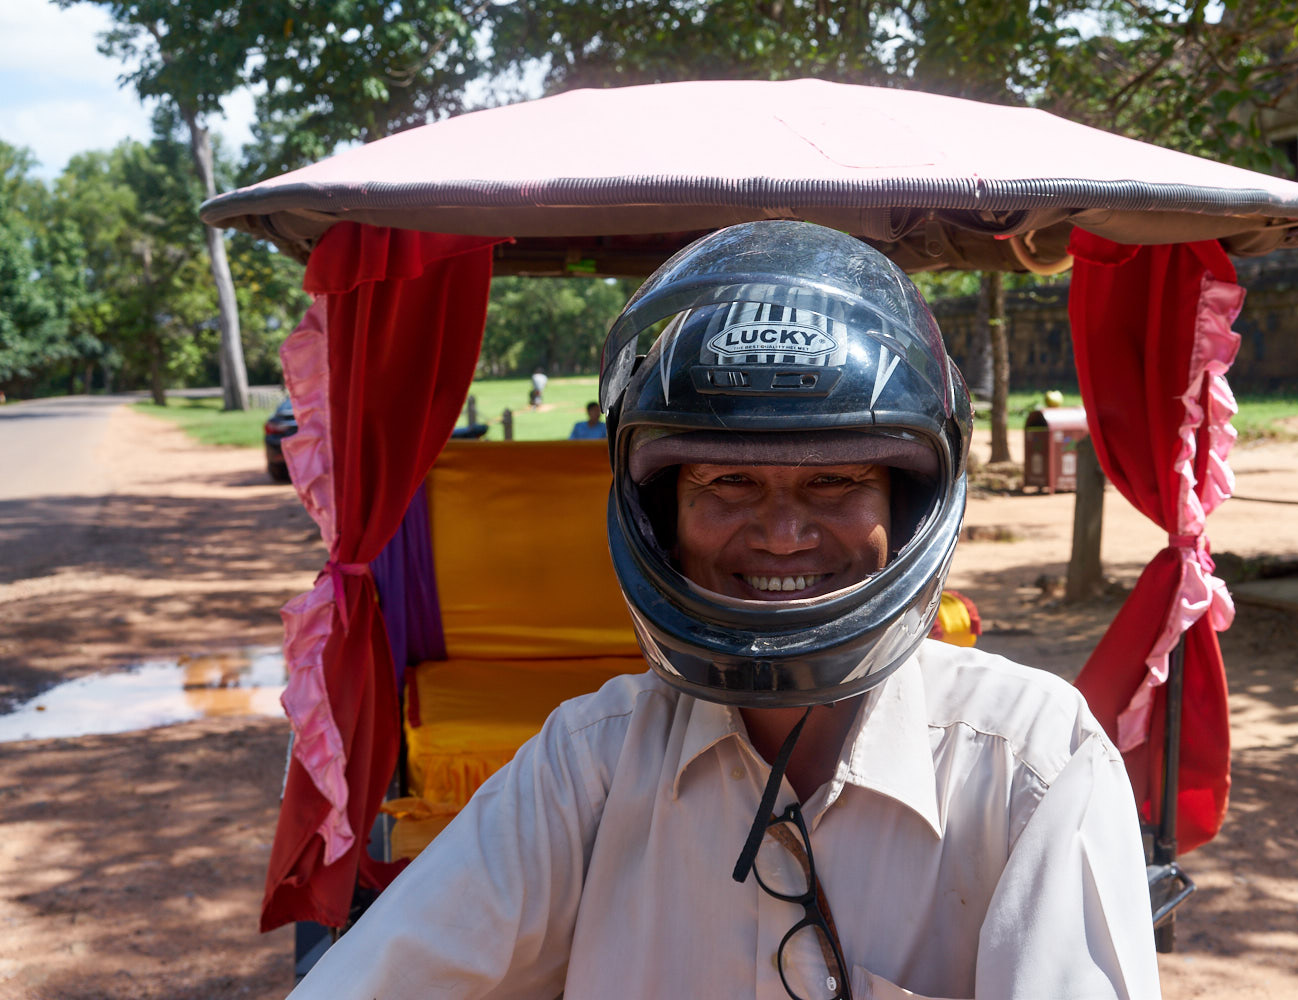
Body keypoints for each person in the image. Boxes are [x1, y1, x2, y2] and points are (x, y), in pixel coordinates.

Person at [288, 222, 1161, 999]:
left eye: (836, 480)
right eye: (727, 482)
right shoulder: (586, 768)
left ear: (908, 502)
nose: (782, 535)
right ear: (662, 511)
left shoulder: (1031, 766)